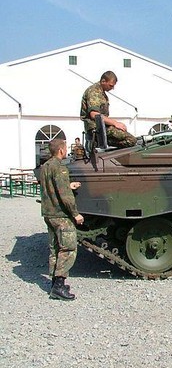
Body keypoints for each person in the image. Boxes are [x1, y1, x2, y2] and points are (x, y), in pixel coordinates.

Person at [39, 138, 84, 301]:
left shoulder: (46, 166)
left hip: (48, 213)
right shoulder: (60, 168)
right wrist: (75, 214)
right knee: (68, 248)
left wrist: (68, 185)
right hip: (61, 215)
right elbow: (65, 196)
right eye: (65, 148)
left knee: (55, 249)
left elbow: (51, 186)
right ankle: (59, 285)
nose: (66, 151)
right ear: (60, 150)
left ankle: (54, 283)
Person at [80, 71, 137, 148]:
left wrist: (115, 124)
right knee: (131, 140)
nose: (112, 88)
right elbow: (94, 114)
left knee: (128, 136)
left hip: (102, 127)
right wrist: (115, 123)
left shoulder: (101, 93)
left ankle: (101, 143)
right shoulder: (94, 92)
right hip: (96, 128)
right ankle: (99, 142)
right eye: (110, 85)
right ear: (103, 81)